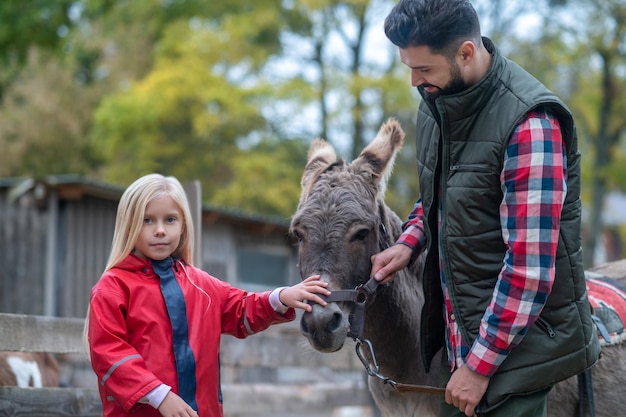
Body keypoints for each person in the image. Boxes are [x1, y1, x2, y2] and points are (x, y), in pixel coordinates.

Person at [370, 1, 601, 416]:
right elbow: (444, 191)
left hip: (513, 357)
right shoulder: (439, 100)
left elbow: (529, 268)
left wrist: (479, 367)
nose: (412, 80)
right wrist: (410, 242)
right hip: (459, 346)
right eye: (408, 66)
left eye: (422, 68)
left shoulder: (530, 126)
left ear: (465, 53)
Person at [85, 173, 330, 417]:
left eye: (170, 219)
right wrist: (159, 395)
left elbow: (241, 307)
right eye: (147, 220)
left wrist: (281, 296)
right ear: (129, 224)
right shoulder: (113, 288)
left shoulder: (201, 284)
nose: (160, 230)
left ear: (183, 225)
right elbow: (109, 353)